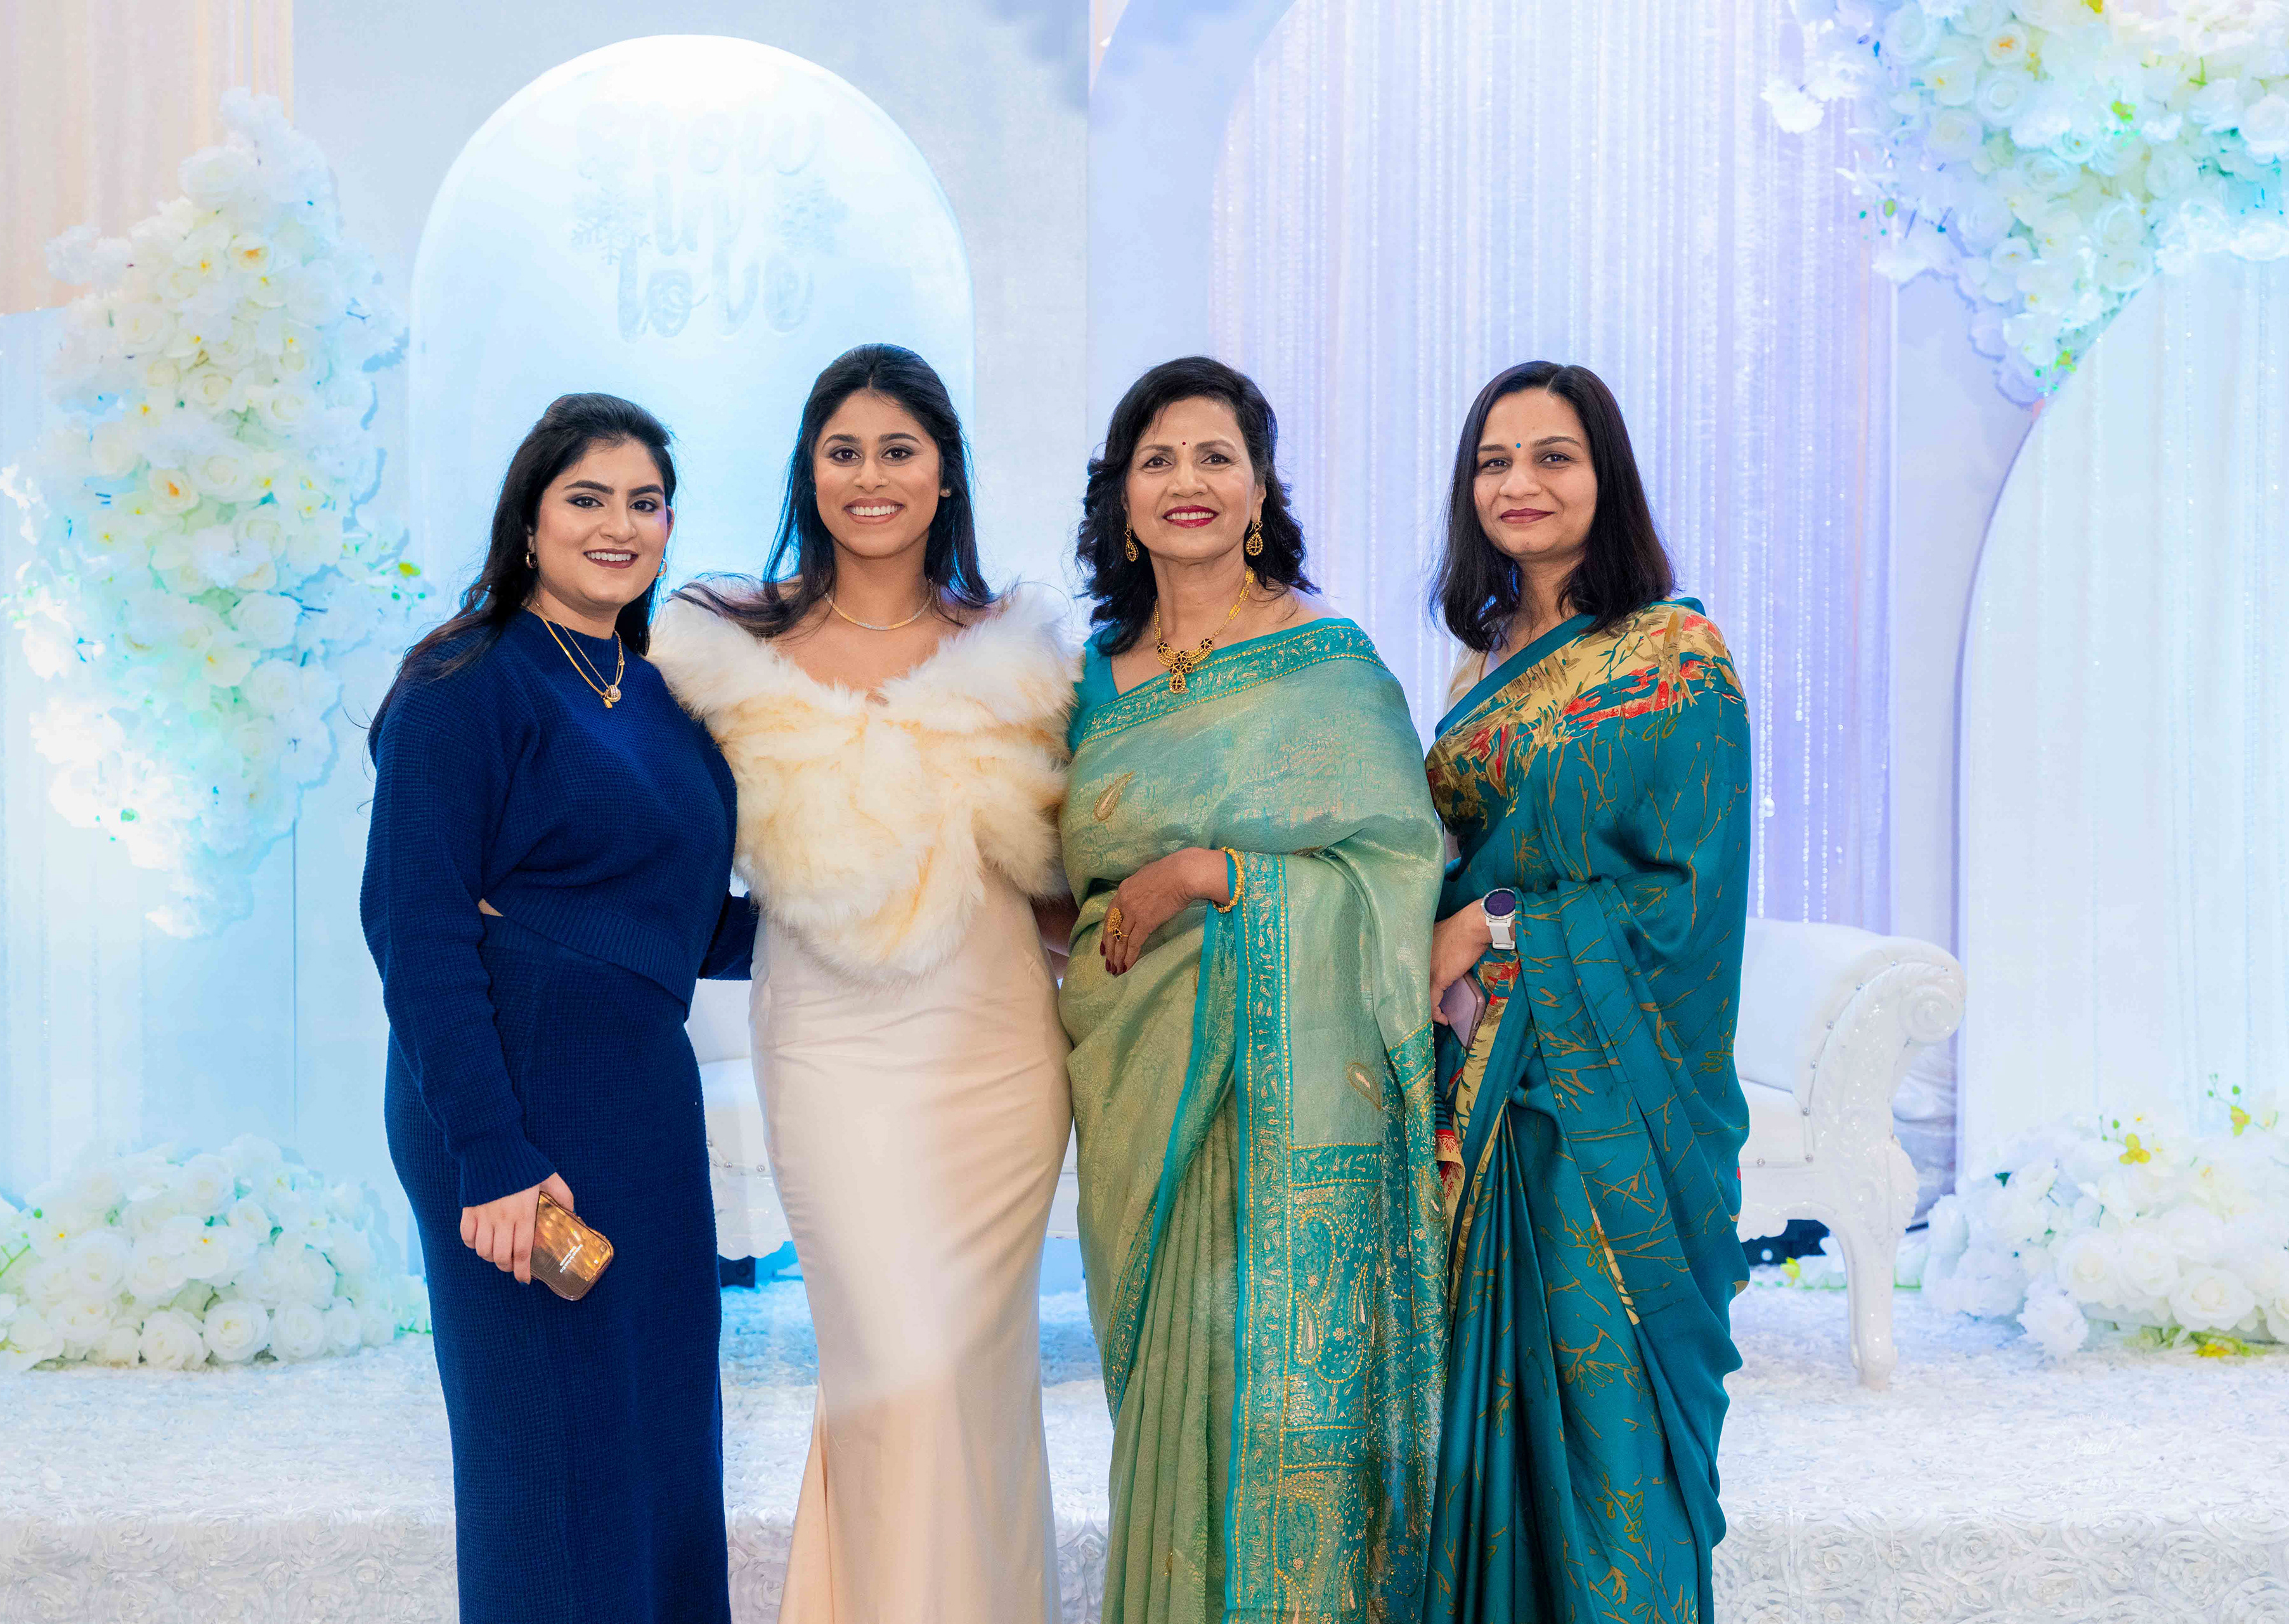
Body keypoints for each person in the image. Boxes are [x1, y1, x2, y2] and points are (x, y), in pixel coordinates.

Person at [651, 344, 1075, 1623]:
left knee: (971, 1378)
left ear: (945, 474)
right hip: (830, 1048)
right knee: (893, 1366)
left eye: (899, 449)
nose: (870, 475)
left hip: (996, 1054)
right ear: (809, 470)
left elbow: (1073, 873)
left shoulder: (1022, 652)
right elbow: (628, 806)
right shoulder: (725, 649)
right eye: (844, 451)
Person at [1057, 354, 1446, 1624]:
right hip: (1142, 1087)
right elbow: (1062, 886)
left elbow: (1397, 869)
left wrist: (1214, 873)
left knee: (1288, 1408)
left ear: (1260, 490)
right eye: (1158, 459)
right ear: (1123, 498)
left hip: (1298, 1116)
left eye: (1216, 456)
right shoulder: (1090, 680)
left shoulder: (1329, 664)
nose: (1189, 481)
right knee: (1166, 1412)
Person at [362, 394, 754, 1624]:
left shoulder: (663, 697)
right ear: (529, 520)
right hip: (513, 1102)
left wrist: (888, 920)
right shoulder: (464, 681)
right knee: (548, 1461)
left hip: (642, 1103)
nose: (617, 524)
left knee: (662, 1445)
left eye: (645, 502)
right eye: (587, 497)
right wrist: (492, 1153)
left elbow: (683, 920)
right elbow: (416, 927)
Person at [1419, 361, 1752, 1624]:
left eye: (1553, 456)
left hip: (1610, 1106)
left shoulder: (1676, 657)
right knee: (1489, 1428)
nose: (1521, 483)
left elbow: (1687, 902)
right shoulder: (1477, 663)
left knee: (1610, 1430)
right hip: (1485, 1092)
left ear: (1605, 475)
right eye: (1494, 462)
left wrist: (1494, 927)